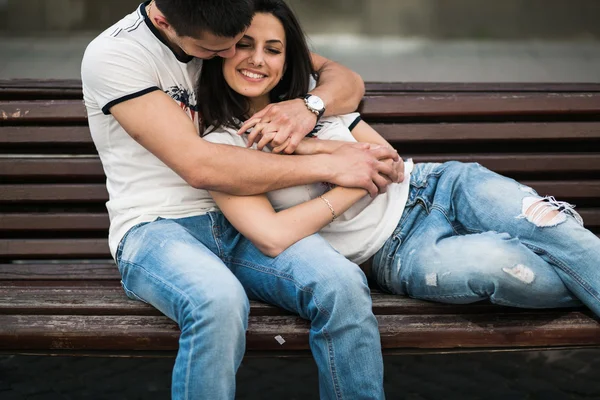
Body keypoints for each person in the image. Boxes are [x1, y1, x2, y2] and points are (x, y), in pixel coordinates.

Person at [199, 0, 600, 327]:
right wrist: (348, 170)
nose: (257, 60)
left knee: (553, 231)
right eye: (245, 45)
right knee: (504, 266)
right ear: (221, 49)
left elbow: (388, 161)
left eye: (273, 49)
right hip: (395, 253)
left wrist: (308, 147)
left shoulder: (309, 103)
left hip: (441, 186)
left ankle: (572, 253)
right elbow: (273, 234)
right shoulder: (221, 144)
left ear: (288, 60)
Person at [81, 0, 400, 398]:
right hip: (157, 227)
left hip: (244, 218)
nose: (234, 56)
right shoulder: (117, 54)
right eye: (217, 51)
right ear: (164, 21)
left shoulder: (226, 19)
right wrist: (330, 166)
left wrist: (308, 106)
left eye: (238, 43)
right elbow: (200, 167)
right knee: (218, 301)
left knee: (342, 284)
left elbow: (343, 77)